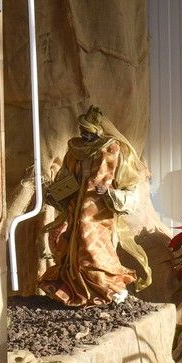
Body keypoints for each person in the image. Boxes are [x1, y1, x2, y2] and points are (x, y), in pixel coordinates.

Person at [41, 108, 151, 307]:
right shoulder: (76, 150)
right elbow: (68, 178)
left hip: (98, 214)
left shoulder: (112, 150)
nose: (83, 134)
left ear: (97, 131)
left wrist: (108, 192)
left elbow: (127, 186)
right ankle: (75, 288)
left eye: (88, 131)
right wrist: (55, 193)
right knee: (73, 247)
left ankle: (112, 288)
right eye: (82, 130)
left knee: (95, 249)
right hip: (76, 210)